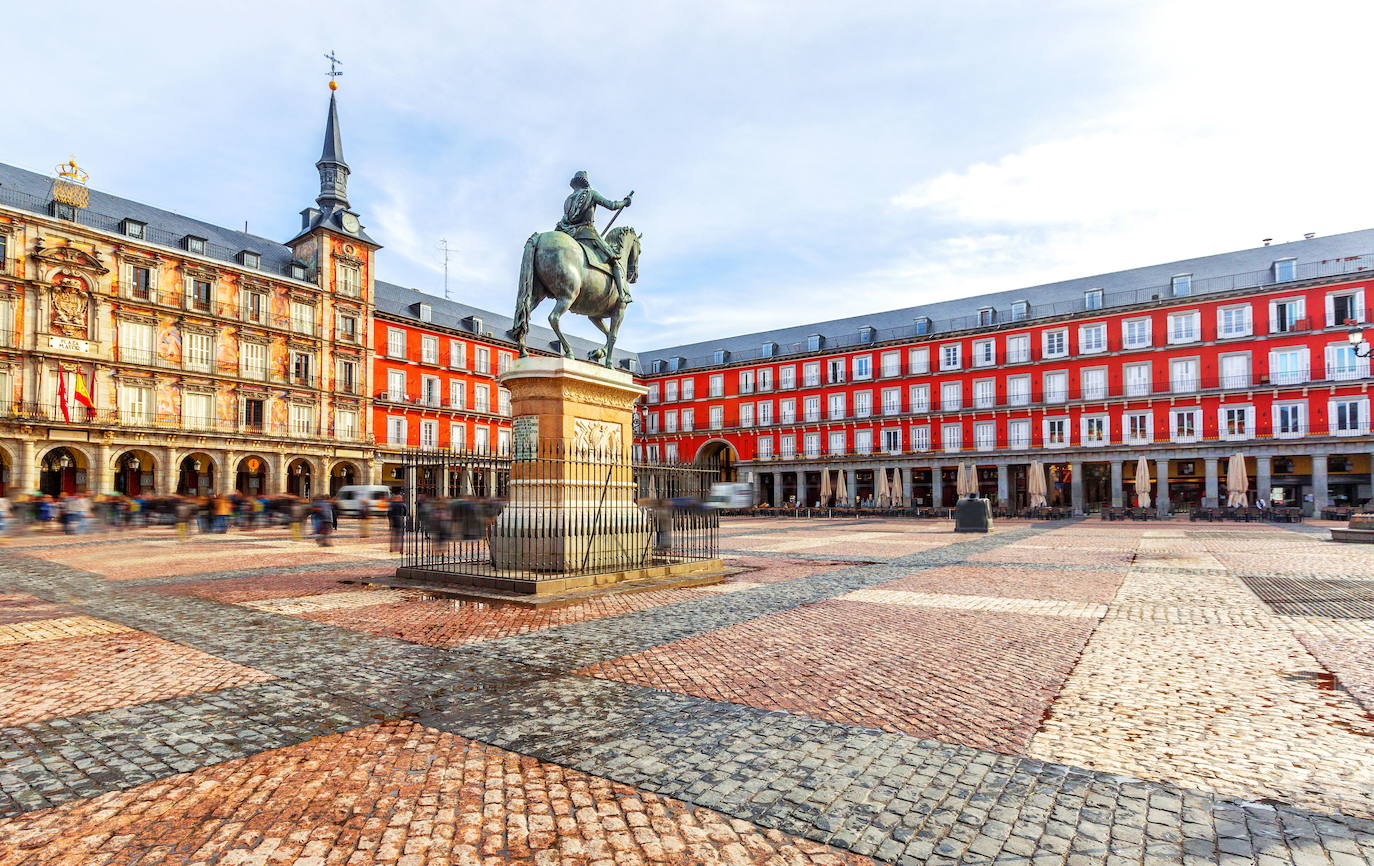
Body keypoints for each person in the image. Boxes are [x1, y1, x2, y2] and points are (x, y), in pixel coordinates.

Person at [556, 171, 633, 306]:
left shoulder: (568, 199)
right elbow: (612, 205)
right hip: (587, 233)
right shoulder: (591, 193)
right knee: (614, 259)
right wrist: (625, 202)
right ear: (585, 182)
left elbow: (569, 219)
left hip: (570, 234)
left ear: (575, 183)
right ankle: (622, 294)